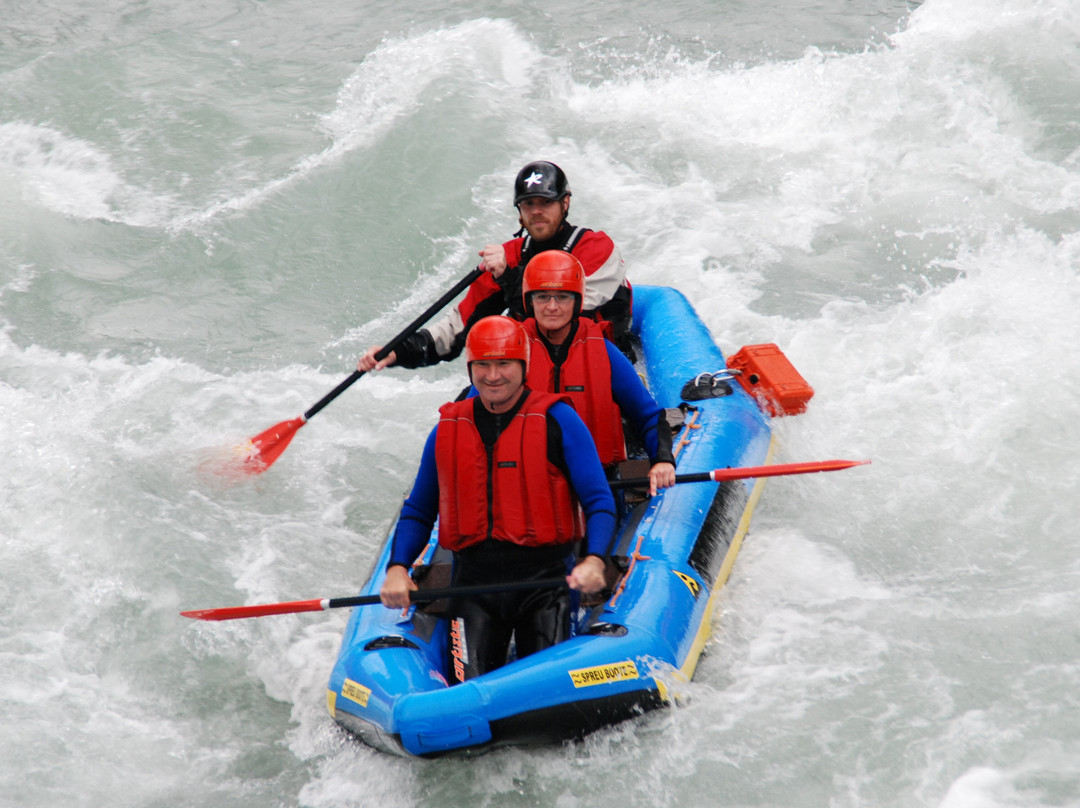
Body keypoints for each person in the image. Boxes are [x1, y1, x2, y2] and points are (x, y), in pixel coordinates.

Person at [379, 316, 618, 682]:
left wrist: (595, 560)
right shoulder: (447, 428)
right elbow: (418, 510)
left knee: (542, 687)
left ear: (523, 366)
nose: (492, 376)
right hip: (473, 587)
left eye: (504, 364)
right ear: (470, 368)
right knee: (466, 689)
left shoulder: (559, 419)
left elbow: (599, 501)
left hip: (544, 586)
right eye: (482, 365)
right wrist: (397, 568)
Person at [358, 160, 634, 372]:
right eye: (528, 204)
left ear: (565, 203)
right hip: (537, 369)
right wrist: (397, 352)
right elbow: (456, 330)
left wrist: (509, 278)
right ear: (519, 211)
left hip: (598, 363)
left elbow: (559, 316)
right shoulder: (509, 256)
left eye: (546, 202)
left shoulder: (597, 249)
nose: (536, 211)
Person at [520, 251, 677, 497]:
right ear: (530, 301)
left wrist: (663, 460)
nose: (552, 306)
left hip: (597, 487)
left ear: (577, 301)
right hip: (529, 487)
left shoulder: (603, 352)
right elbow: (471, 416)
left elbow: (647, 416)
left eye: (562, 297)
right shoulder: (510, 352)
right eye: (542, 297)